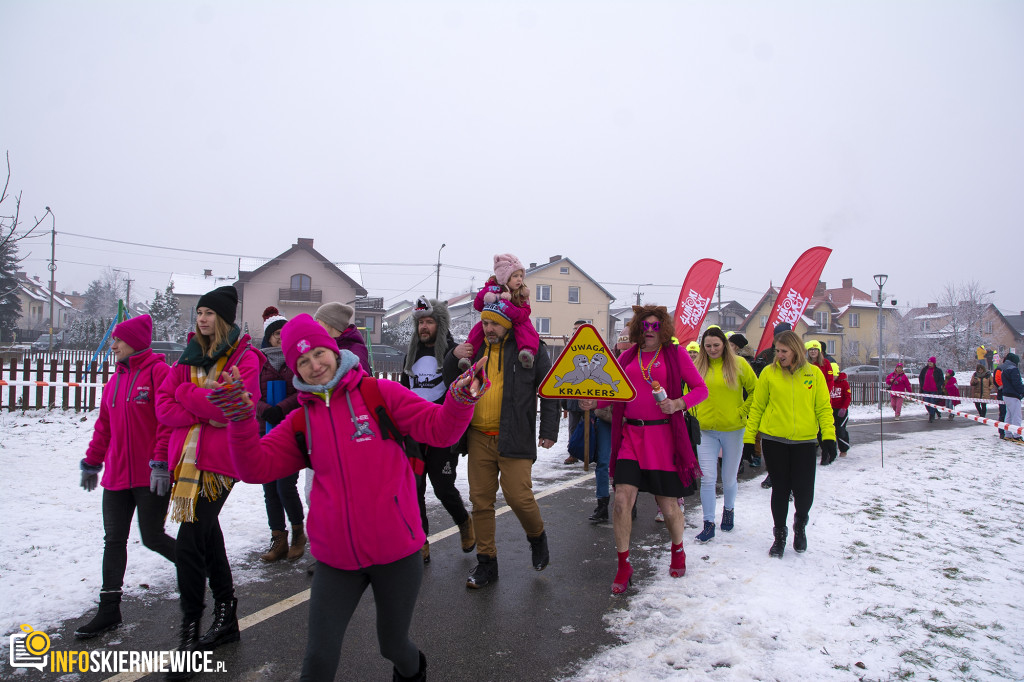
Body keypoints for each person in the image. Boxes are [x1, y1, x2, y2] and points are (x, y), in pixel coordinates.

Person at [208, 314, 489, 682]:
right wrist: (241, 421)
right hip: (335, 559)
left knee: (393, 646)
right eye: (303, 362)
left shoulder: (378, 394)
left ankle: (414, 672)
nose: (314, 365)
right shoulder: (301, 421)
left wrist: (459, 399)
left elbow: (439, 430)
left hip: (396, 551)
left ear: (334, 350)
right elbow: (254, 468)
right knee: (318, 661)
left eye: (319, 353)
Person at [154, 285, 262, 665]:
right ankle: (226, 612)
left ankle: (188, 630)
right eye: (199, 312)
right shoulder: (188, 356)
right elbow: (163, 407)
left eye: (209, 313)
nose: (202, 319)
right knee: (208, 536)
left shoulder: (244, 358)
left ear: (224, 318)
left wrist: (185, 394)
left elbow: (233, 409)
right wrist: (200, 402)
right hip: (185, 460)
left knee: (188, 540)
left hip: (219, 464)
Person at [444, 301, 559, 589]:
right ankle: (487, 563)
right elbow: (451, 379)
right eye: (484, 323)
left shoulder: (529, 350)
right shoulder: (475, 349)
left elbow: (550, 389)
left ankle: (537, 537)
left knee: (519, 497)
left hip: (515, 436)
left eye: (494, 323)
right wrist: (452, 356)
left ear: (507, 323)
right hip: (478, 436)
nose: (488, 329)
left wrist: (548, 430)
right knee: (481, 501)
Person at [74, 315, 176, 640]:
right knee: (113, 540)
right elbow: (103, 426)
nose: (113, 345)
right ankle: (109, 610)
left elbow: (167, 422)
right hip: (117, 477)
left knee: (153, 537)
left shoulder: (160, 373)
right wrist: (92, 462)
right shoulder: (113, 382)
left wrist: (160, 462)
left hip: (151, 476)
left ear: (134, 341)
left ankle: (198, 566)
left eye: (118, 340)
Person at [605, 305, 707, 593]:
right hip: (630, 437)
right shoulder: (626, 356)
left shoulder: (676, 355)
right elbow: (610, 392)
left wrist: (678, 403)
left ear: (663, 329)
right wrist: (592, 401)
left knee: (669, 506)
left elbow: (701, 389)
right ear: (637, 328)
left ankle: (678, 549)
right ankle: (624, 564)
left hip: (663, 438)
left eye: (655, 326)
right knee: (623, 500)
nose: (649, 331)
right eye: (644, 326)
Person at [742, 330, 835, 558]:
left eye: (784, 351)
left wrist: (829, 437)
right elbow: (757, 408)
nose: (779, 355)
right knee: (780, 490)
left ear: (796, 350)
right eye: (777, 350)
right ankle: (779, 535)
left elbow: (823, 408)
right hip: (774, 441)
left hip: (805, 441)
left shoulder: (814, 374)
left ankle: (800, 523)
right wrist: (748, 439)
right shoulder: (768, 373)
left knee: (804, 493)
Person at [399, 296, 475, 563]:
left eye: (429, 321)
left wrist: (453, 358)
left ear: (439, 324)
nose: (424, 327)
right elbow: (403, 389)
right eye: (421, 322)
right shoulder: (412, 355)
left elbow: (464, 386)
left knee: (443, 487)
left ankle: (464, 521)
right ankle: (421, 541)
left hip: (442, 429)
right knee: (414, 487)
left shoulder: (453, 352)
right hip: (414, 430)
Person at [690, 326, 755, 543]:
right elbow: (686, 392)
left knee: (728, 478)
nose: (712, 349)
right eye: (707, 346)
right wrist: (692, 411)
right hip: (705, 430)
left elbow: (756, 391)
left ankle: (729, 510)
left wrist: (742, 412)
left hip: (733, 429)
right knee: (708, 478)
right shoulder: (697, 365)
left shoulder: (739, 364)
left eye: (716, 345)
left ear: (724, 345)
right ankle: (708, 523)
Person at [255, 307, 305, 563]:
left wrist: (281, 409)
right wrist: (266, 411)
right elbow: (251, 395)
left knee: (286, 486)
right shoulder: (257, 362)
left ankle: (298, 533)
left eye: (284, 333)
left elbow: (302, 390)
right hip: (265, 431)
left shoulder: (296, 360)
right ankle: (278, 539)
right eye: (275, 333)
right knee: (269, 489)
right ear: (268, 336)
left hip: (290, 431)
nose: (279, 337)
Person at [463, 253, 540, 369]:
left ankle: (527, 351)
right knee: (479, 329)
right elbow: (478, 305)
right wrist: (488, 293)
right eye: (515, 276)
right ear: (504, 277)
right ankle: (468, 356)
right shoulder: (492, 288)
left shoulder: (522, 293)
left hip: (516, 320)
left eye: (520, 276)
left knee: (526, 328)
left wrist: (510, 310)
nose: (519, 279)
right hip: (493, 317)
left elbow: (525, 313)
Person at [752, 322, 791, 488]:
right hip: (769, 404)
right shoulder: (766, 355)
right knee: (771, 444)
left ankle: (789, 481)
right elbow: (755, 376)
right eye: (779, 336)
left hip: (789, 407)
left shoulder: (796, 357)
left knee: (789, 447)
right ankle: (771, 473)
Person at [314, 302, 370, 373]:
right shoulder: (331, 346)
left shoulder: (355, 351)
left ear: (328, 323)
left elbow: (360, 380)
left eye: (318, 321)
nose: (315, 325)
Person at [1000, 353, 1023, 443]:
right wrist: (1021, 391)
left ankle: (1008, 434)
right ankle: (1017, 436)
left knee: (1008, 416)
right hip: (1013, 396)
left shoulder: (1004, 369)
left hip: (1006, 395)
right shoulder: (1013, 369)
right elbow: (1017, 383)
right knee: (1017, 416)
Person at [919, 357, 946, 423]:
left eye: (931, 362)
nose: (929, 363)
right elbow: (921, 377)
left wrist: (937, 386)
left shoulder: (938, 370)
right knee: (927, 403)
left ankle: (932, 415)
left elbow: (941, 380)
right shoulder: (924, 370)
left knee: (932, 402)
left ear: (934, 363)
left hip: (934, 390)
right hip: (926, 389)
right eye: (929, 362)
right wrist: (922, 385)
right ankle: (935, 411)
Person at [831, 369, 851, 456]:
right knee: (829, 430)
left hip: (841, 410)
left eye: (834, 376)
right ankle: (830, 449)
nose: (832, 378)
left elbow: (847, 397)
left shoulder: (844, 383)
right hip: (830, 410)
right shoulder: (828, 382)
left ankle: (843, 449)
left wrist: (844, 408)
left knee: (840, 430)